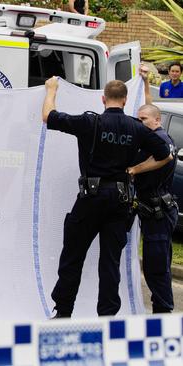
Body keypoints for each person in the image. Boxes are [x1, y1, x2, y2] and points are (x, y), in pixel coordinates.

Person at [43, 77, 172, 317]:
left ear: (103, 99)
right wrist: (134, 170)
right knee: (110, 262)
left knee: (73, 257)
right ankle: (108, 316)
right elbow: (165, 155)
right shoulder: (136, 127)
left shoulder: (89, 122)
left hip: (90, 198)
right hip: (119, 201)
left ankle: (63, 312)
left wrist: (51, 90)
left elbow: (48, 117)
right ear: (124, 101)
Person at [127, 71, 178, 313]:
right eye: (138, 118)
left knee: (157, 268)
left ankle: (163, 314)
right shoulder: (151, 133)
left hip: (159, 212)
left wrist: (135, 169)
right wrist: (146, 83)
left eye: (144, 119)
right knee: (158, 266)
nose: (140, 121)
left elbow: (165, 157)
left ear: (156, 121)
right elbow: (149, 107)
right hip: (153, 211)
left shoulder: (162, 139)